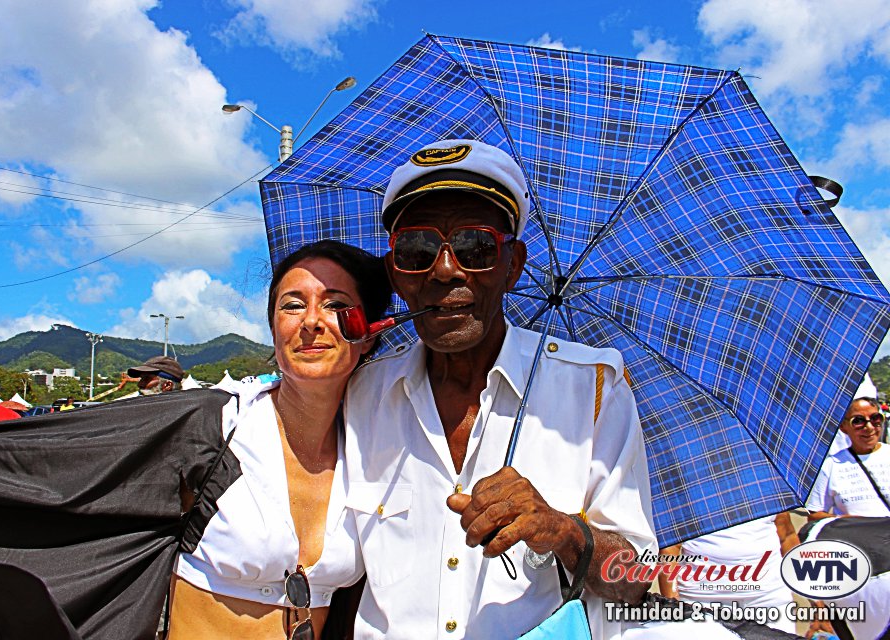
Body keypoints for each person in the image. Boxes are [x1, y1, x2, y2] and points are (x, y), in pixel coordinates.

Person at [343, 140, 656, 639]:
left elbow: (636, 581)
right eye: (418, 250)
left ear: (512, 266)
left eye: (476, 247)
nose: (446, 270)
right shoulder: (360, 395)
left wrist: (561, 529)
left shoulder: (592, 386)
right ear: (396, 275)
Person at [167, 240, 391, 639]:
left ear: (369, 333)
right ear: (273, 329)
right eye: (292, 305)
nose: (311, 321)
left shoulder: (376, 452)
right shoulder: (215, 426)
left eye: (336, 305)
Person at [657, 514, 799, 634]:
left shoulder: (766, 485)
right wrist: (671, 604)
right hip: (702, 602)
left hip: (769, 599)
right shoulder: (687, 487)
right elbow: (670, 548)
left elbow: (787, 536)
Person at [807, 396, 890, 519]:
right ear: (843, 427)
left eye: (875, 418)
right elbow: (814, 515)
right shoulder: (832, 465)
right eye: (858, 421)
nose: (869, 427)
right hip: (851, 536)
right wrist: (845, 520)